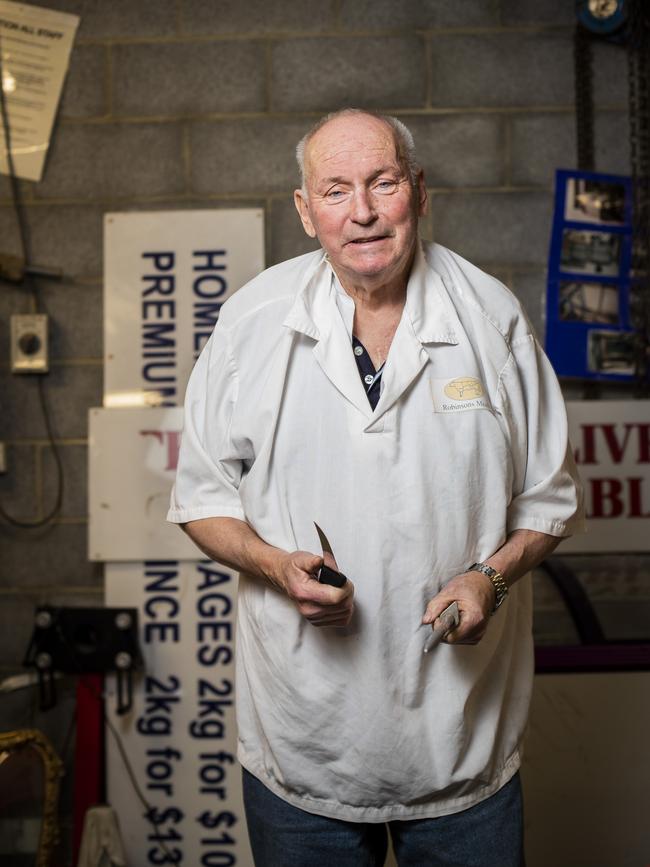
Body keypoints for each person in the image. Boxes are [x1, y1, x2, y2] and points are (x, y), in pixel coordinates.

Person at [168, 108, 584, 866]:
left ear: (418, 191)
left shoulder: (491, 319)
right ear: (305, 209)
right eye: (335, 190)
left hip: (463, 750)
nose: (361, 211)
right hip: (302, 747)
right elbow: (202, 498)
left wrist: (491, 575)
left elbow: (550, 500)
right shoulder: (251, 323)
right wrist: (273, 564)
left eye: (382, 183)